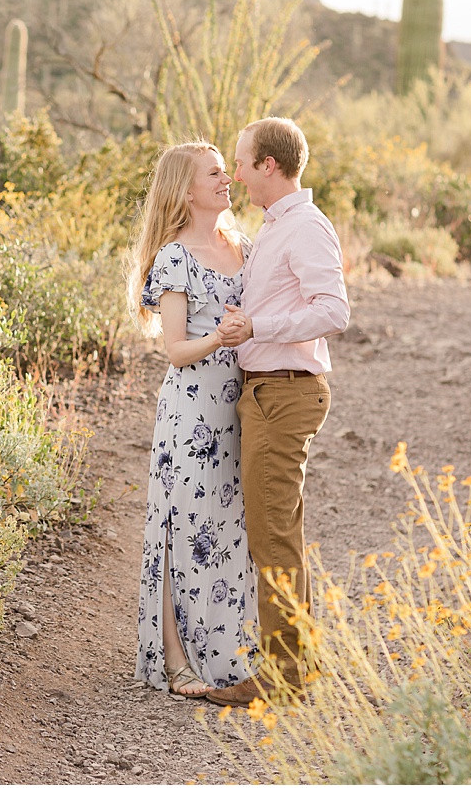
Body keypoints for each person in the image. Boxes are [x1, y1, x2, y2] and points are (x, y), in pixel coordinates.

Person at [211, 117, 349, 705]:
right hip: (268, 389)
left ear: (268, 164)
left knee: (272, 535)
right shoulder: (274, 227)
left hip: (285, 392)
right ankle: (298, 663)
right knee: (277, 530)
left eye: (242, 162)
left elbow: (334, 311)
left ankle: (284, 676)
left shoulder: (305, 229)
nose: (236, 173)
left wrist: (258, 326)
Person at [130, 141, 259, 701]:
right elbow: (176, 350)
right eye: (213, 173)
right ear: (185, 189)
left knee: (232, 527)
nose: (226, 177)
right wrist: (222, 337)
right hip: (191, 411)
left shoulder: (244, 245)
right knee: (181, 524)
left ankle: (233, 652)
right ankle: (178, 660)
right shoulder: (174, 258)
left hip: (242, 407)